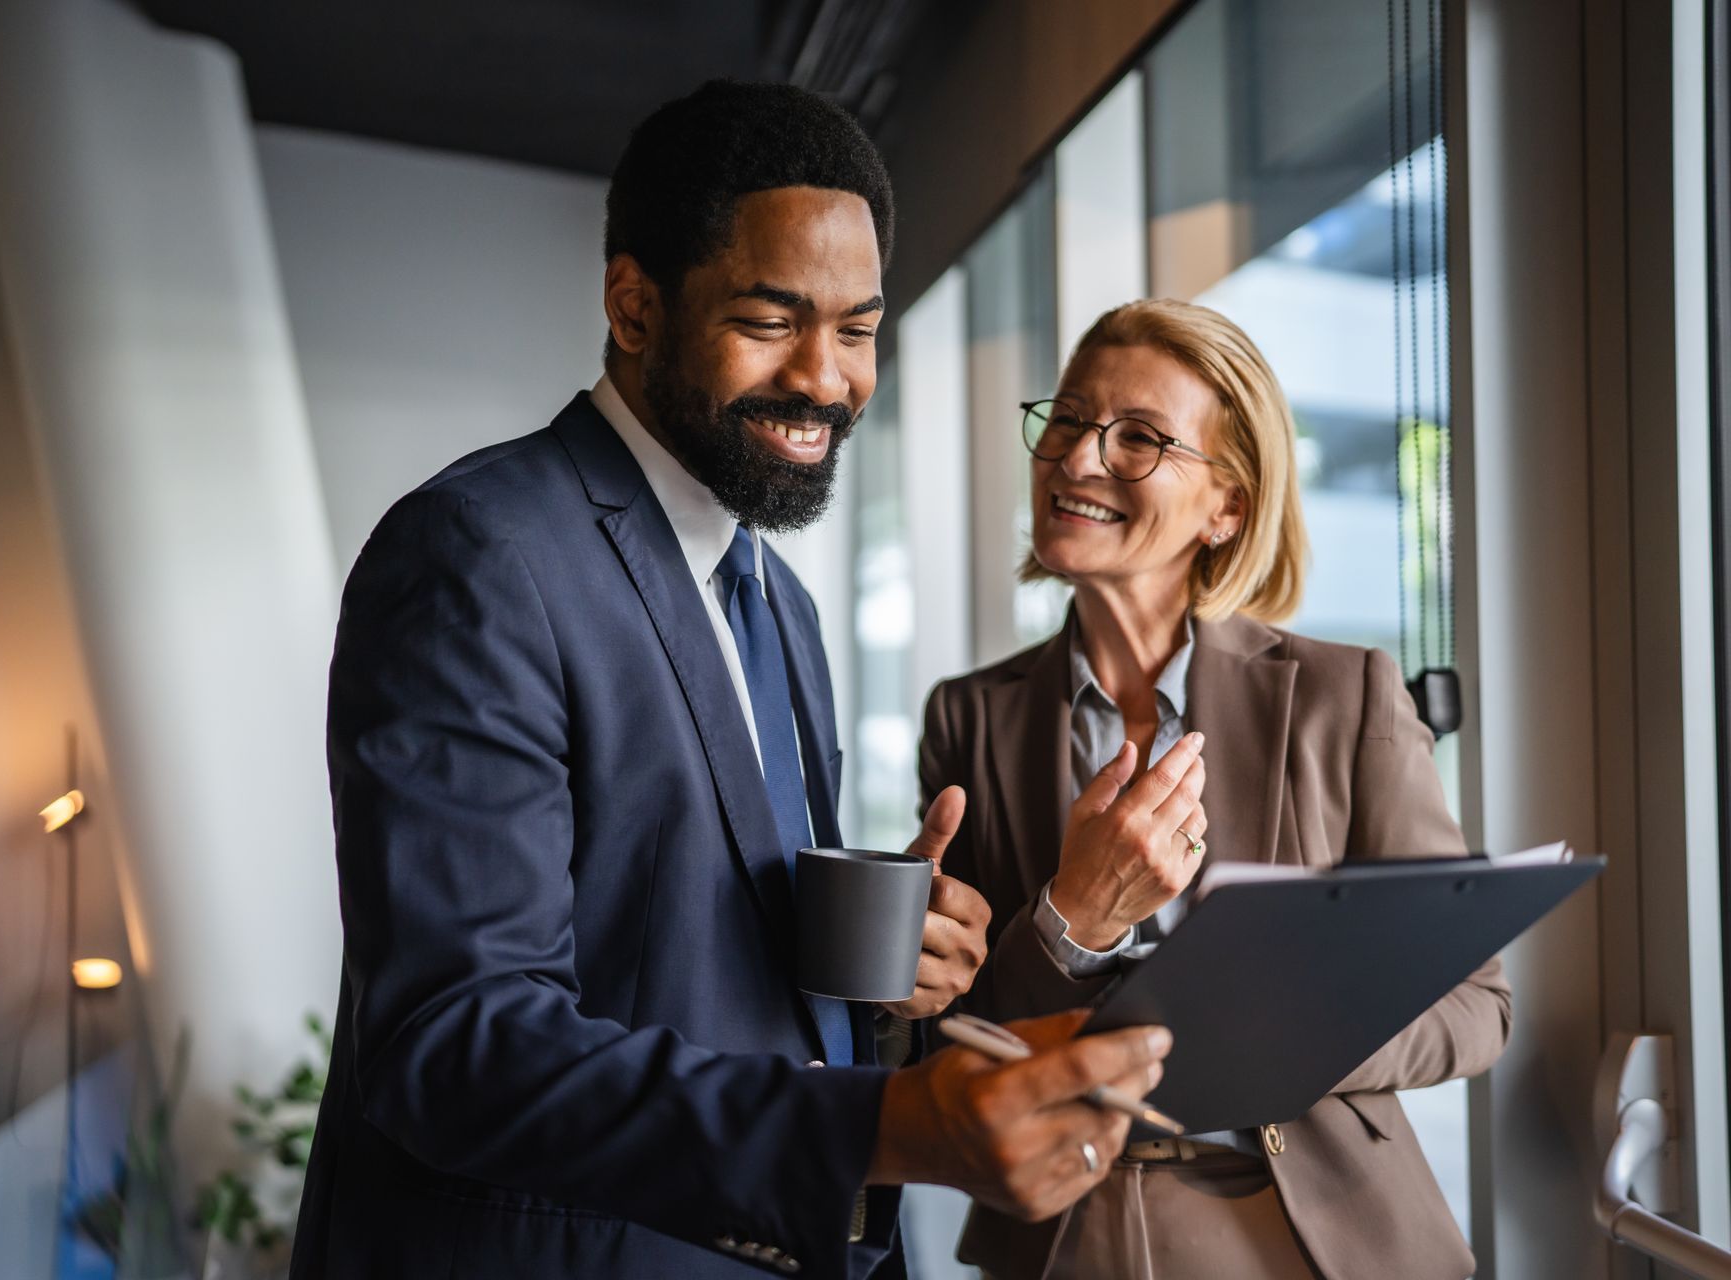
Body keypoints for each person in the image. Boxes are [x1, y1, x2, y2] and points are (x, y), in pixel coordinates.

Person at [289, 81, 1173, 1280]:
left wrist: (879, 979)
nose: (826, 378)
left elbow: (692, 959)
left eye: (858, 330)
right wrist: (883, 1125)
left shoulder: (782, 601)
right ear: (635, 303)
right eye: (772, 319)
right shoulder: (478, 554)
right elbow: (457, 1042)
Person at [918, 298, 1510, 1280]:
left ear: (1226, 506)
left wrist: (1287, 1034)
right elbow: (965, 1023)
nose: (1076, 458)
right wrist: (1070, 921)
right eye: (1066, 419)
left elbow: (1476, 1001)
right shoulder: (969, 718)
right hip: (1064, 1232)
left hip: (1313, 1231)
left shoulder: (1343, 691)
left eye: (1139, 438)